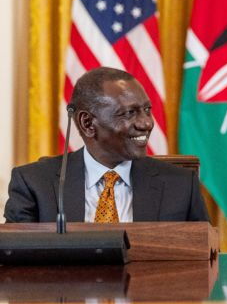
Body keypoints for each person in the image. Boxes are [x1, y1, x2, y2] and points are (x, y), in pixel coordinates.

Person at [5, 67, 209, 223]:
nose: (146, 123)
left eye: (147, 109)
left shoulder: (180, 185)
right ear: (88, 123)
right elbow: (12, 265)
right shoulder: (34, 184)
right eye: (130, 113)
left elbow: (206, 261)